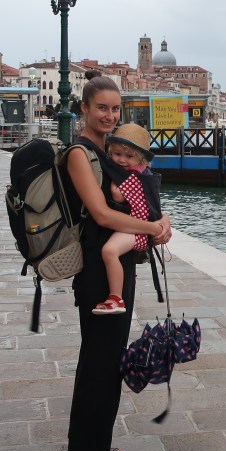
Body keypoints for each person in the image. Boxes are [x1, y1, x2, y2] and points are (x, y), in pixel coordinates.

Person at [63, 71, 171, 451]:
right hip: (96, 269)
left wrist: (159, 221)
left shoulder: (104, 150)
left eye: (115, 109)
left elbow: (135, 197)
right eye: (101, 108)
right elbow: (104, 215)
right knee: (101, 365)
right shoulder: (79, 153)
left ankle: (90, 443)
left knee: (101, 361)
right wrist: (151, 227)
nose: (109, 115)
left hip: (113, 265)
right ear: (84, 108)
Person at [94, 123, 160, 316]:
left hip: (137, 230)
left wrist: (114, 177)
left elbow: (116, 195)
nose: (121, 160)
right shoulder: (142, 173)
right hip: (136, 228)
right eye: (116, 154)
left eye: (129, 156)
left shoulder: (132, 176)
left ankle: (116, 298)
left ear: (140, 158)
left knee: (109, 251)